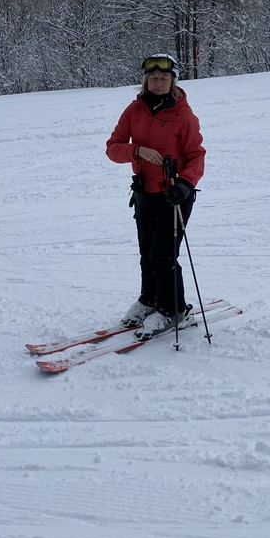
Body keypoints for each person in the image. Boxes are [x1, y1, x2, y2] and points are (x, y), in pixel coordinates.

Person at [106, 53, 206, 339]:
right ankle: (149, 300)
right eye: (153, 78)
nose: (158, 83)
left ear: (173, 81)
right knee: (147, 254)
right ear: (146, 80)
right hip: (144, 193)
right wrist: (136, 151)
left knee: (163, 255)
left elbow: (197, 155)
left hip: (174, 195)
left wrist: (185, 184)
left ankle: (174, 311)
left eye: (164, 78)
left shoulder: (183, 115)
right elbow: (112, 148)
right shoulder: (134, 110)